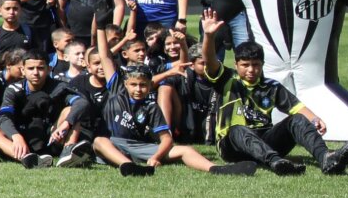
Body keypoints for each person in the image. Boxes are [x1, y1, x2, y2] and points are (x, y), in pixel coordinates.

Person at [198, 10, 348, 175]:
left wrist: (314, 119)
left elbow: (296, 108)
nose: (251, 70)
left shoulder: (271, 87)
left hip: (265, 140)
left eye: (256, 65)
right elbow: (210, 61)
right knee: (237, 129)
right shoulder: (227, 79)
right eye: (245, 65)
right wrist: (209, 36)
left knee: (298, 119)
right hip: (232, 146)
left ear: (262, 64)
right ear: (236, 64)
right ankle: (275, 162)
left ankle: (326, 157)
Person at [92, 63, 254, 178]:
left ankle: (217, 169)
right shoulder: (116, 93)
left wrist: (156, 157)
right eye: (133, 84)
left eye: (143, 85)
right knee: (99, 141)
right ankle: (128, 166)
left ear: (150, 85)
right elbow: (106, 56)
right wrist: (100, 28)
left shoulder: (152, 107)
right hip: (114, 145)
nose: (138, 89)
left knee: (185, 150)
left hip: (139, 147)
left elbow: (166, 139)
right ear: (125, 84)